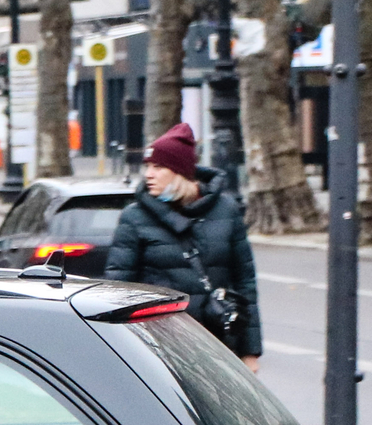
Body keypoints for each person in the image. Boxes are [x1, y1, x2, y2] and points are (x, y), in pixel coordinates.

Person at [103, 121, 262, 370]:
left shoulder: (226, 209)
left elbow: (245, 284)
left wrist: (250, 351)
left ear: (179, 171)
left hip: (217, 344)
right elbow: (118, 291)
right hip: (159, 348)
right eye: (147, 166)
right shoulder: (135, 217)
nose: (148, 174)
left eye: (158, 167)